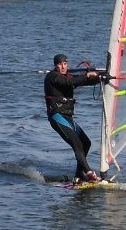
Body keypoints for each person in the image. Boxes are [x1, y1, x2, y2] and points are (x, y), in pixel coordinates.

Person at [44, 53, 103, 184]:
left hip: (68, 117)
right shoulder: (52, 77)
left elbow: (80, 80)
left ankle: (78, 175)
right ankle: (89, 172)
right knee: (76, 143)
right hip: (57, 116)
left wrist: (100, 78)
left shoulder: (67, 76)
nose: (63, 66)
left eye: (65, 64)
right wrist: (86, 75)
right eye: (60, 64)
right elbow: (70, 82)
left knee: (86, 143)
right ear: (55, 65)